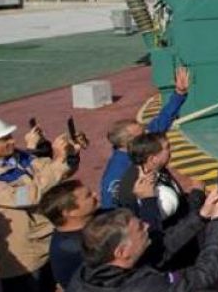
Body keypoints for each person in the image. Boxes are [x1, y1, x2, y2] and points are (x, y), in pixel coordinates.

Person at [0, 115, 78, 292]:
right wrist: (57, 162)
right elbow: (26, 197)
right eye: (4, 139)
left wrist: (69, 155)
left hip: (49, 240)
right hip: (26, 260)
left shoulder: (19, 157)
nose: (12, 141)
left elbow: (55, 173)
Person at [68, 191, 218, 292]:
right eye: (139, 227)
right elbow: (204, 274)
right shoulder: (146, 286)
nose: (147, 226)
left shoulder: (86, 272)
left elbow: (162, 247)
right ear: (122, 252)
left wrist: (201, 215)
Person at [40, 174, 161, 287]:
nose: (95, 194)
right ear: (70, 212)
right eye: (88, 196)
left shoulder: (97, 218)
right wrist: (148, 201)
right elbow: (146, 248)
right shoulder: (76, 248)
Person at [100, 66, 190, 209]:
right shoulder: (117, 172)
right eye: (143, 133)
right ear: (128, 142)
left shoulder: (141, 142)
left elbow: (163, 119)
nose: (149, 133)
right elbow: (111, 207)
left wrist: (180, 93)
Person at [115, 132, 203, 271]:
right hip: (174, 248)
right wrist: (196, 196)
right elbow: (155, 223)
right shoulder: (139, 188)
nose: (170, 150)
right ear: (153, 158)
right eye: (167, 147)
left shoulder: (155, 170)